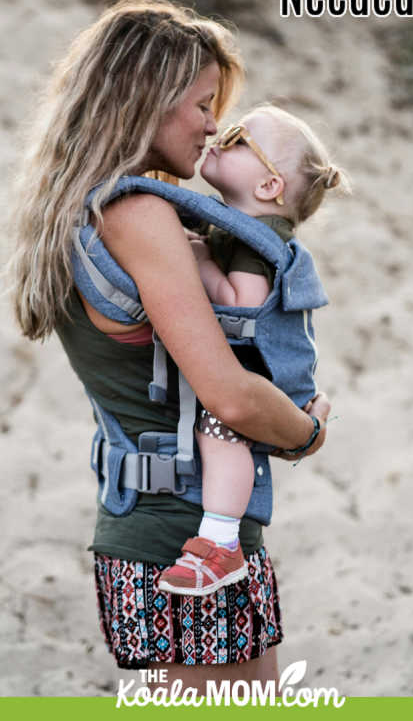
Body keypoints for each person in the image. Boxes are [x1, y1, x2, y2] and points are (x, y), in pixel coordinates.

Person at [6, 0, 331, 691]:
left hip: (140, 530)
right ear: (145, 100)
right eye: (204, 104)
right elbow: (232, 399)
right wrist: (306, 433)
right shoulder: (141, 214)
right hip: (187, 538)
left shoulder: (80, 205)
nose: (215, 125)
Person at [158, 105, 346, 596]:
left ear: (267, 188)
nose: (221, 134)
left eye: (240, 137)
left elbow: (245, 305)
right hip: (264, 365)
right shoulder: (239, 227)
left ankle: (221, 542)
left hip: (264, 372)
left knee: (221, 430)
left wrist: (197, 260)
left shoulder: (254, 241)